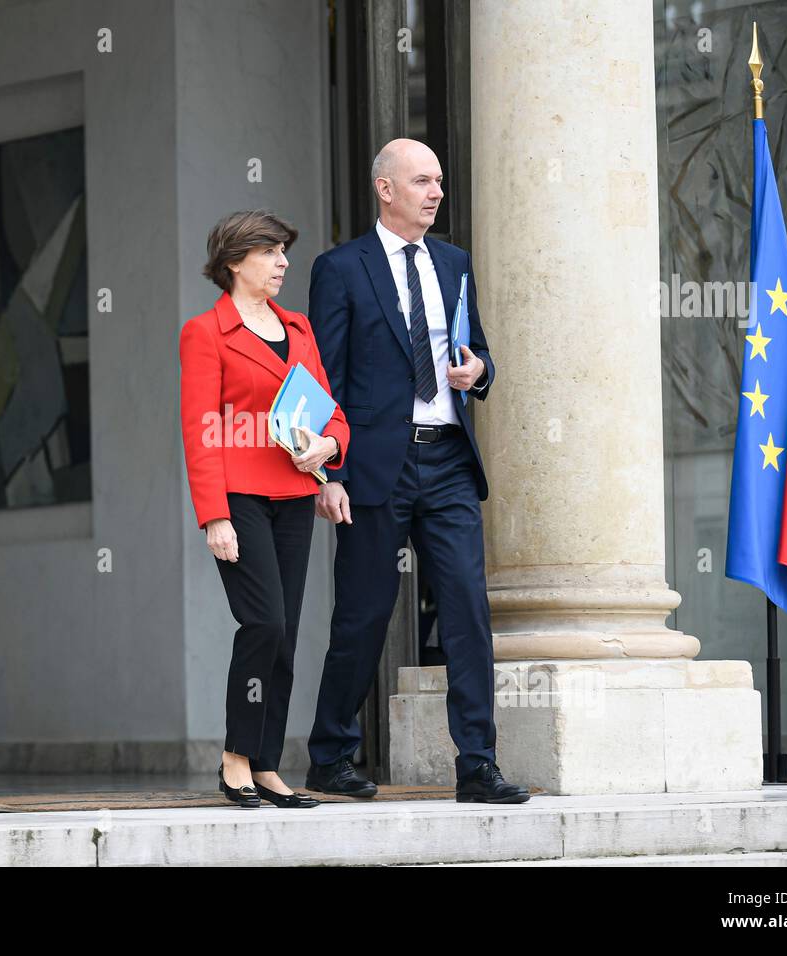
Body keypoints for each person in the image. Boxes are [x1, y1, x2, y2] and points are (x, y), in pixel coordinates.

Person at [304, 139, 530, 804]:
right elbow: (323, 378)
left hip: (449, 458)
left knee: (466, 608)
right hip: (374, 465)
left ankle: (478, 764)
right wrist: (329, 475)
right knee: (364, 613)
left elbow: (477, 350)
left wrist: (478, 370)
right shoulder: (340, 268)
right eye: (422, 181)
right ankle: (330, 754)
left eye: (438, 181)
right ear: (386, 189)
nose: (436, 192)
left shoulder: (455, 264)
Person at [179, 210, 351, 809]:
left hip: (296, 495)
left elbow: (330, 412)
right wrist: (214, 514)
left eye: (284, 251)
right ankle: (236, 758)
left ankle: (269, 765)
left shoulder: (298, 328)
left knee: (286, 636)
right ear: (234, 261)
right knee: (265, 623)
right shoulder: (205, 333)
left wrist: (330, 450)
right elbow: (200, 431)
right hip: (240, 497)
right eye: (271, 252)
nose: (282, 262)